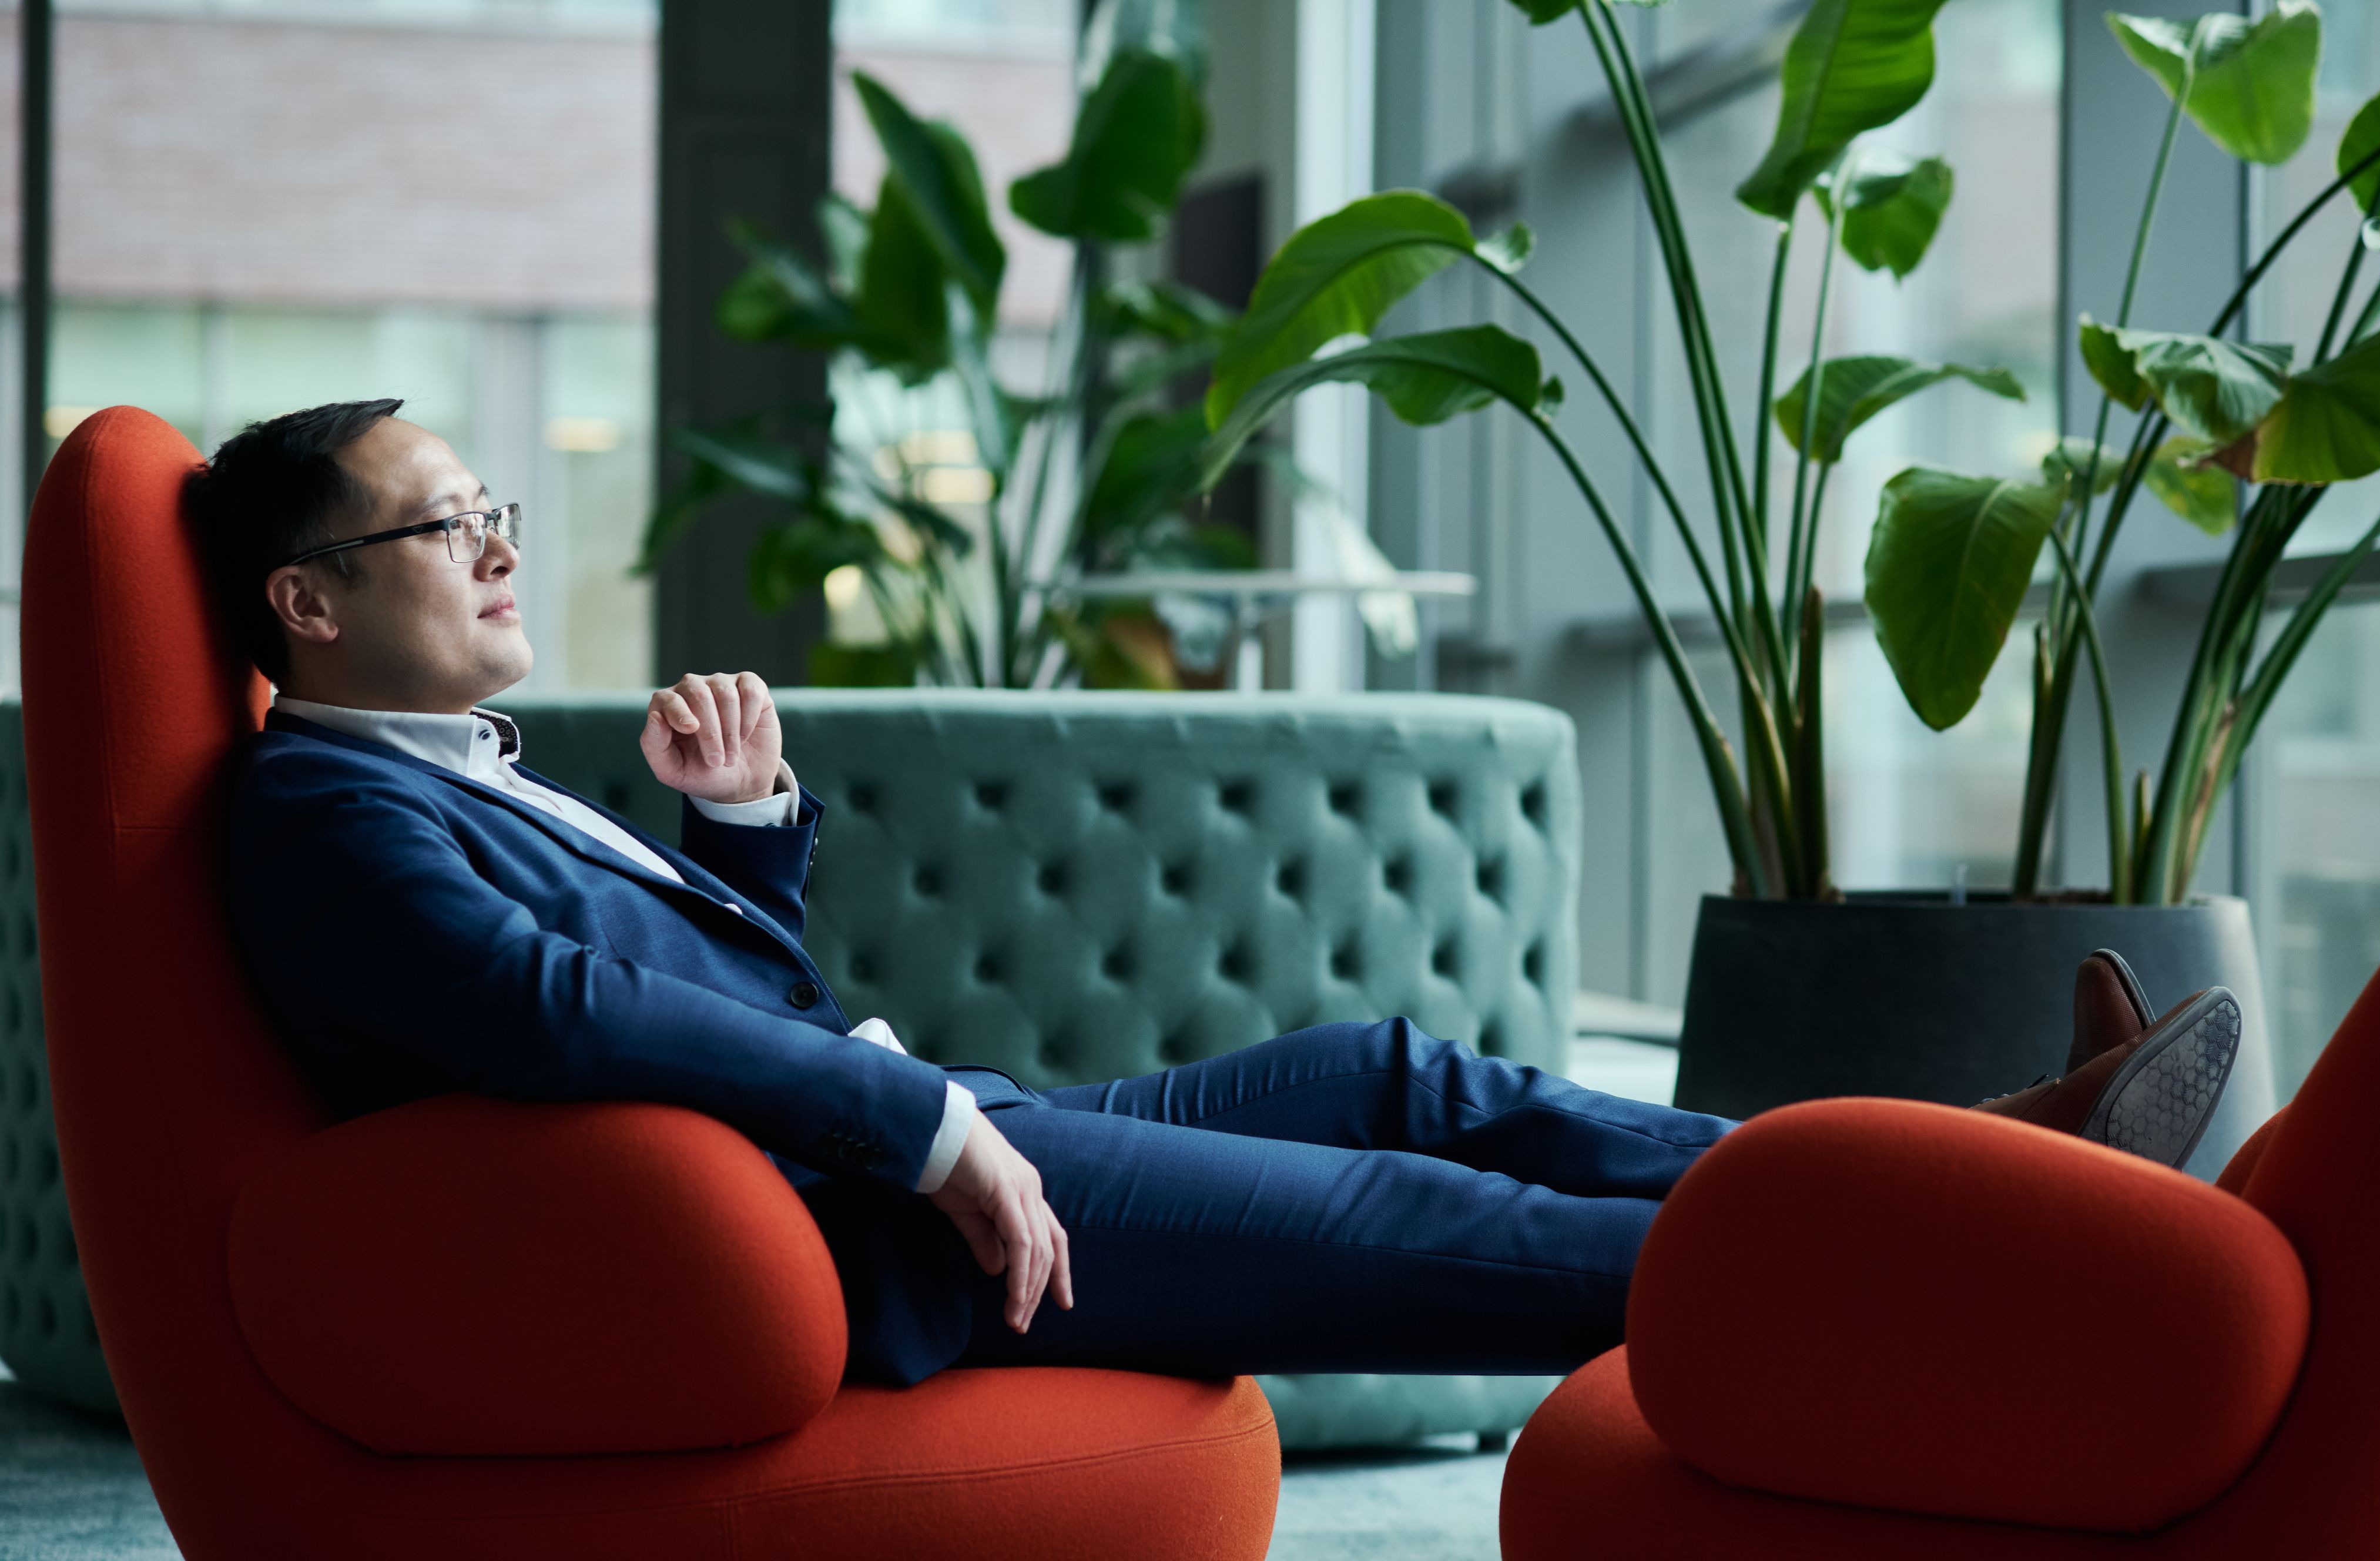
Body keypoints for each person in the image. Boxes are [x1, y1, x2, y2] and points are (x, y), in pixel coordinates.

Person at [195, 400, 2244, 1388]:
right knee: (1433, 1220)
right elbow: (559, 1030)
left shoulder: (445, 779)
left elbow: (710, 996)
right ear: (309, 598)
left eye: (490, 510)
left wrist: (741, 833)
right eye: (447, 518)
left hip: (933, 1134)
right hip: (887, 1233)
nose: (493, 543)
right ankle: (1994, 1266)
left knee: (1405, 1072)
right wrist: (928, 1129)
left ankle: (1979, 1161)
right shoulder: (321, 813)